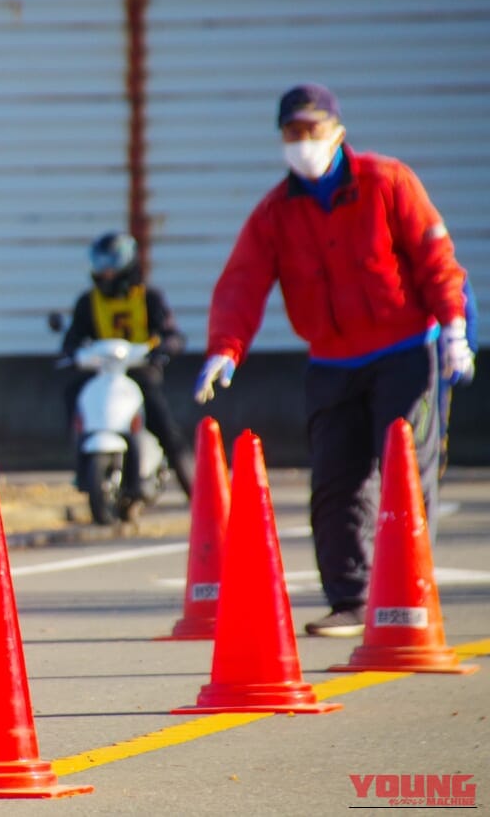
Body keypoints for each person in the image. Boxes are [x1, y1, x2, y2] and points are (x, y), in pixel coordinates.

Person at [194, 83, 473, 638]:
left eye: (311, 130)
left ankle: (408, 592)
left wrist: (454, 327)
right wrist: (226, 348)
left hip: (403, 353)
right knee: (335, 482)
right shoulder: (276, 212)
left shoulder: (387, 182)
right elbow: (242, 284)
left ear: (337, 132)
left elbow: (435, 256)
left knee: (402, 472)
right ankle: (351, 598)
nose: (302, 143)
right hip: (331, 362)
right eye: (291, 133)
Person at [61, 232, 193, 498]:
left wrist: (162, 350)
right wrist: (73, 355)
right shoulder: (88, 302)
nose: (106, 272)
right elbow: (72, 339)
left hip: (139, 370)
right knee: (73, 394)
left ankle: (194, 488)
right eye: (101, 264)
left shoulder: (149, 298)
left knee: (162, 422)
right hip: (102, 373)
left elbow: (172, 334)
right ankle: (82, 464)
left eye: (112, 264)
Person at [438, 278, 478, 475]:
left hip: (438, 374)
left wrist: (464, 352)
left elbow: (468, 318)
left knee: (437, 430)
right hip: (410, 368)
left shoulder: (454, 278)